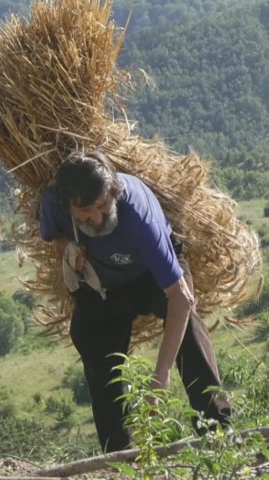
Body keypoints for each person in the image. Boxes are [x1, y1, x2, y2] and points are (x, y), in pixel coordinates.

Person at [39, 150, 231, 453]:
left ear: (113, 192)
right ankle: (121, 455)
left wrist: (161, 375)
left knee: (188, 329)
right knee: (90, 341)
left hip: (151, 275)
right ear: (69, 207)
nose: (97, 218)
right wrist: (70, 248)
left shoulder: (139, 219)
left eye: (103, 205)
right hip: (105, 283)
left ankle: (218, 433)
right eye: (85, 213)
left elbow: (179, 298)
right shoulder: (53, 203)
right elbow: (54, 236)